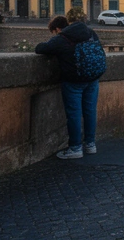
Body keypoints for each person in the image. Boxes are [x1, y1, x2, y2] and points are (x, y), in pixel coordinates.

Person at [35, 14, 104, 159]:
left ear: (57, 29)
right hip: (93, 77)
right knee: (90, 111)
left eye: (54, 32)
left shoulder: (61, 39)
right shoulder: (89, 32)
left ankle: (75, 148)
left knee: (74, 114)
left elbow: (41, 48)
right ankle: (90, 145)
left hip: (74, 81)